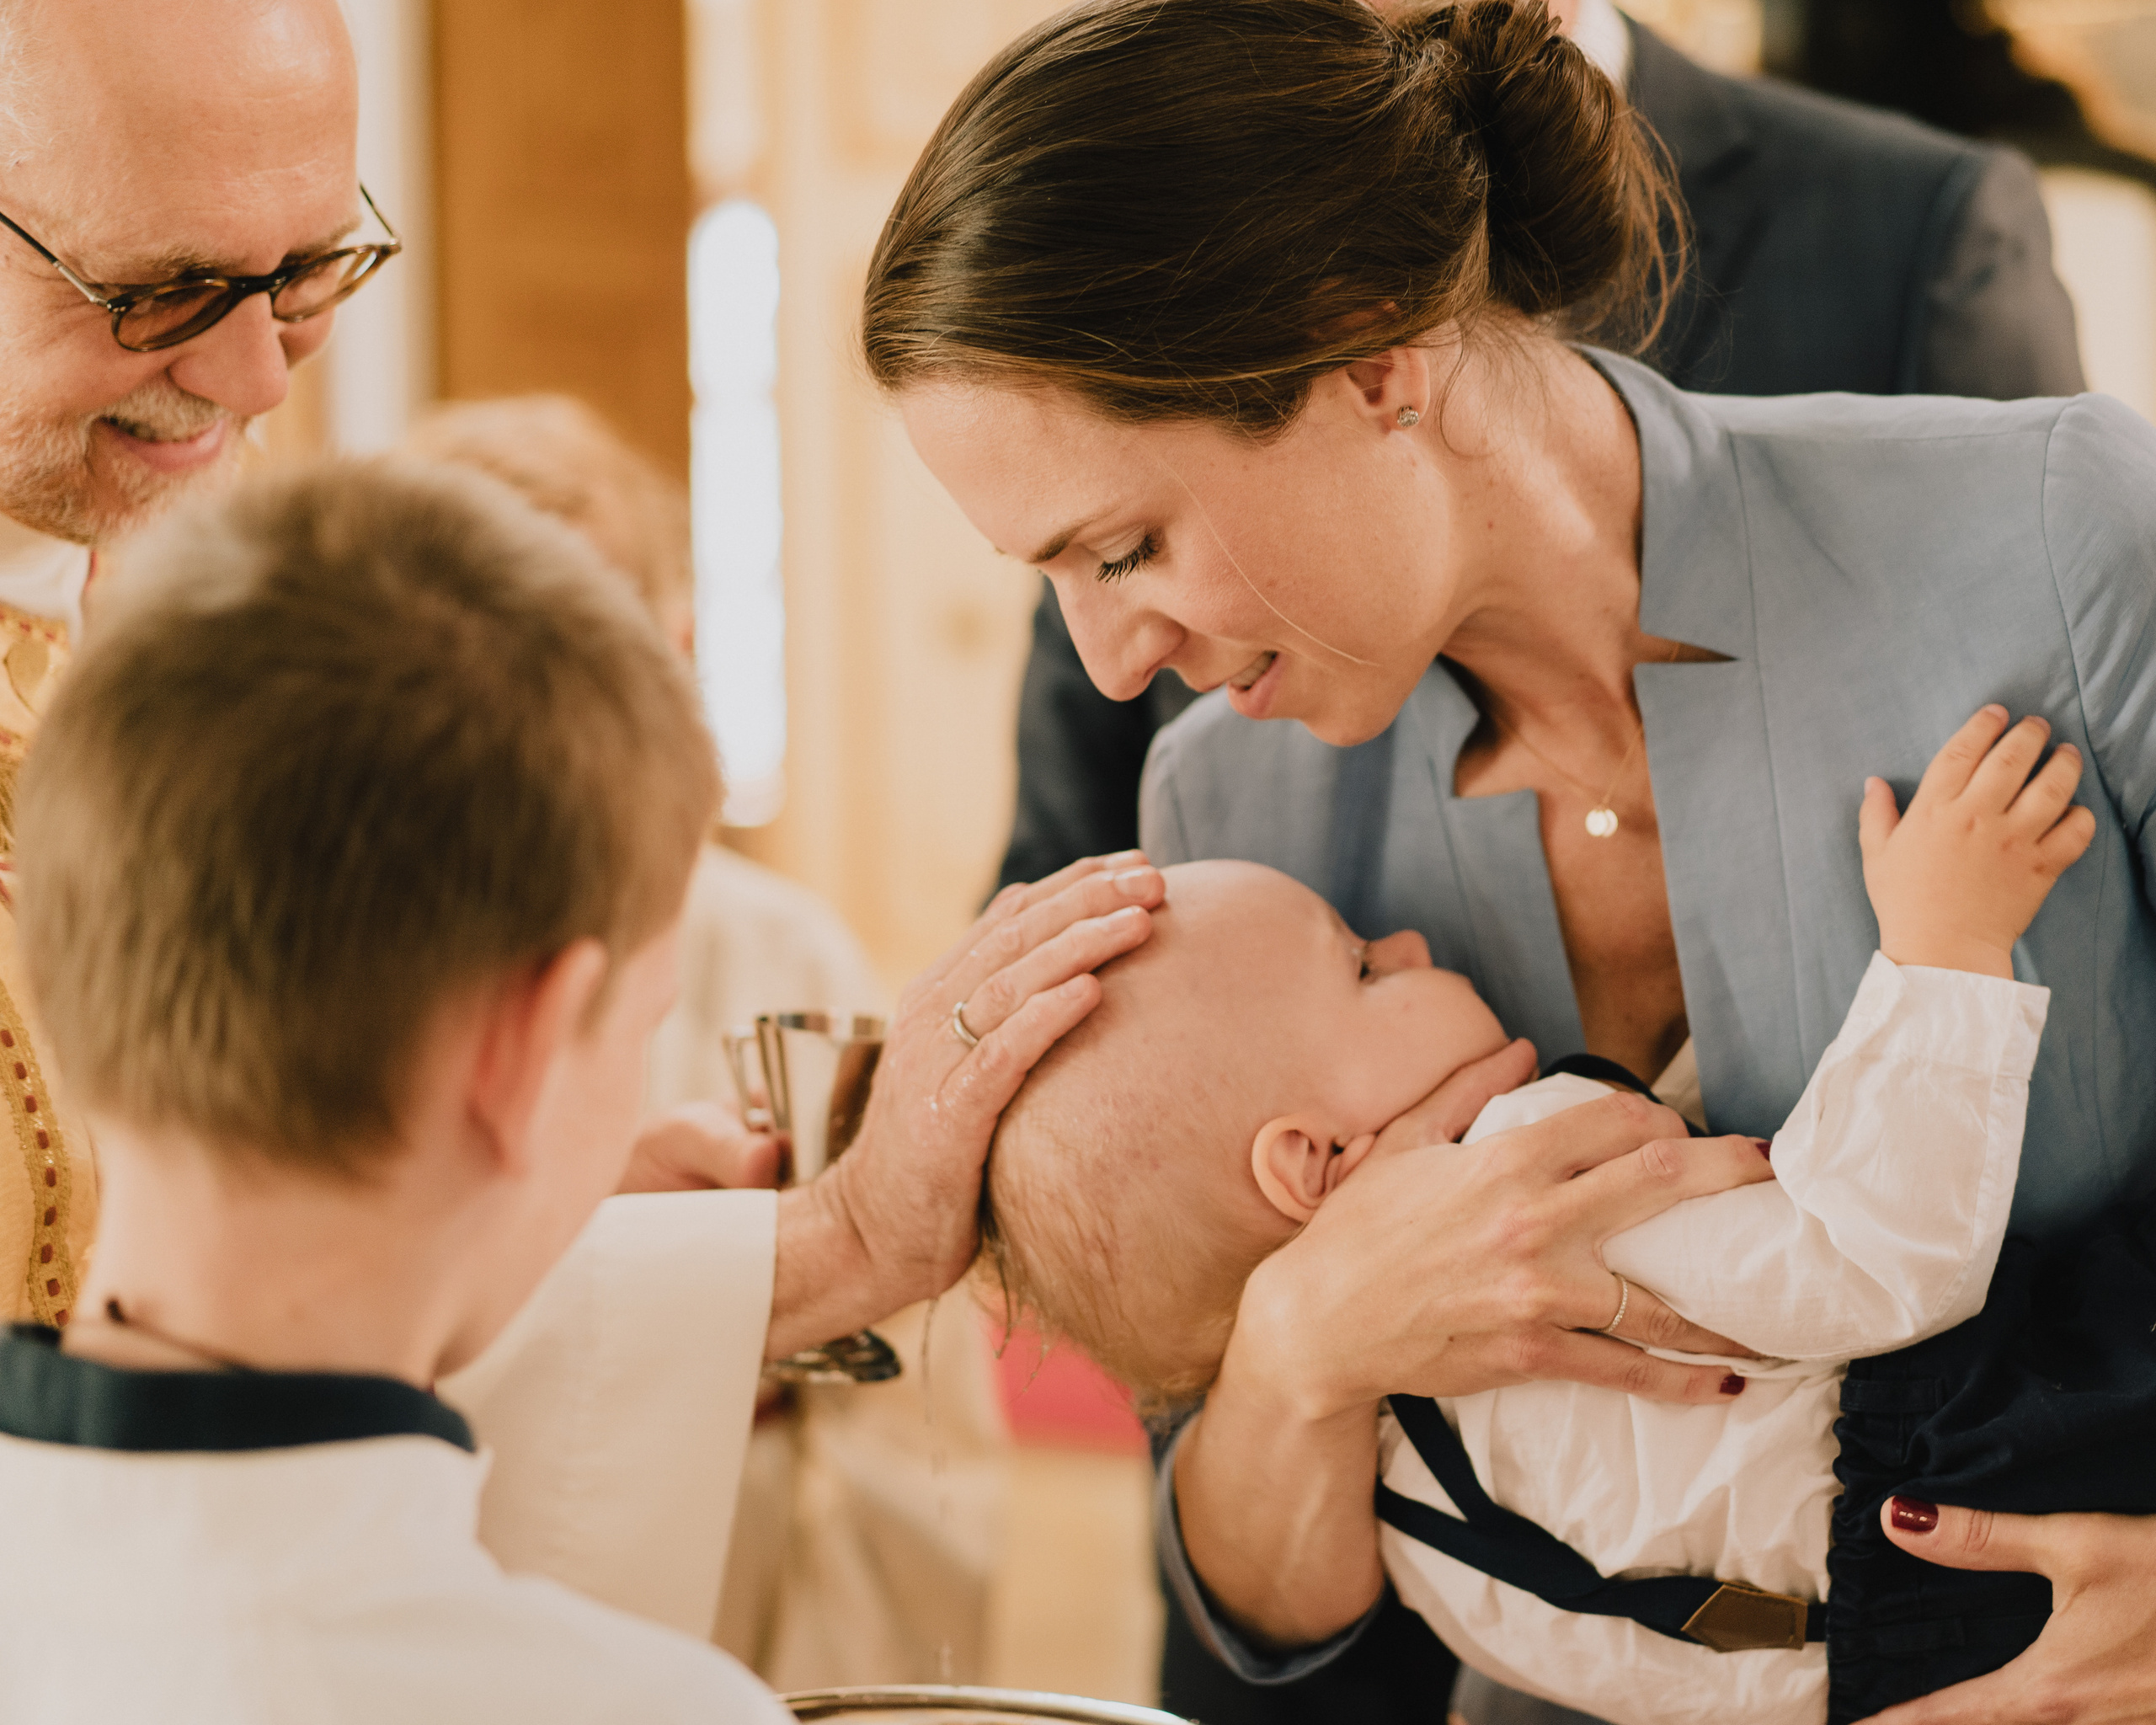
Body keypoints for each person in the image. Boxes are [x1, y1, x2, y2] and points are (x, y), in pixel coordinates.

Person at [858, 2, 2156, 1720]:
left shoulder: (2060, 538)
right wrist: (1301, 1352)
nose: (1100, 660)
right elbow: (1284, 1604)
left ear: (1369, 352)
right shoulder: (1225, 812)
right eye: (1057, 579)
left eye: (1126, 545)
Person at [0, 0, 1174, 1645]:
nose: (259, 374)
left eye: (315, 272)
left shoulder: (168, 595)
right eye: (167, 291)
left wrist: (758, 1240)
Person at [981, 702, 2089, 1724]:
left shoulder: (1413, 1551)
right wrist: (1945, 952)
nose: (1409, 942)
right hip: (2019, 1477)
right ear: (1313, 1160)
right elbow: (1878, 1259)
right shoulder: (1527, 1183)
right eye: (1365, 967)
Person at [995, 0, 2087, 895]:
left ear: (1378, 365)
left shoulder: (1913, 226)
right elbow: (1074, 856)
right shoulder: (1147, 254)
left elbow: (2033, 659)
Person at [407, 393, 1008, 1688]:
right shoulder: (357, 968)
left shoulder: (780, 957)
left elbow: (914, 1412)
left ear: (675, 656)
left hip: (748, 1591)